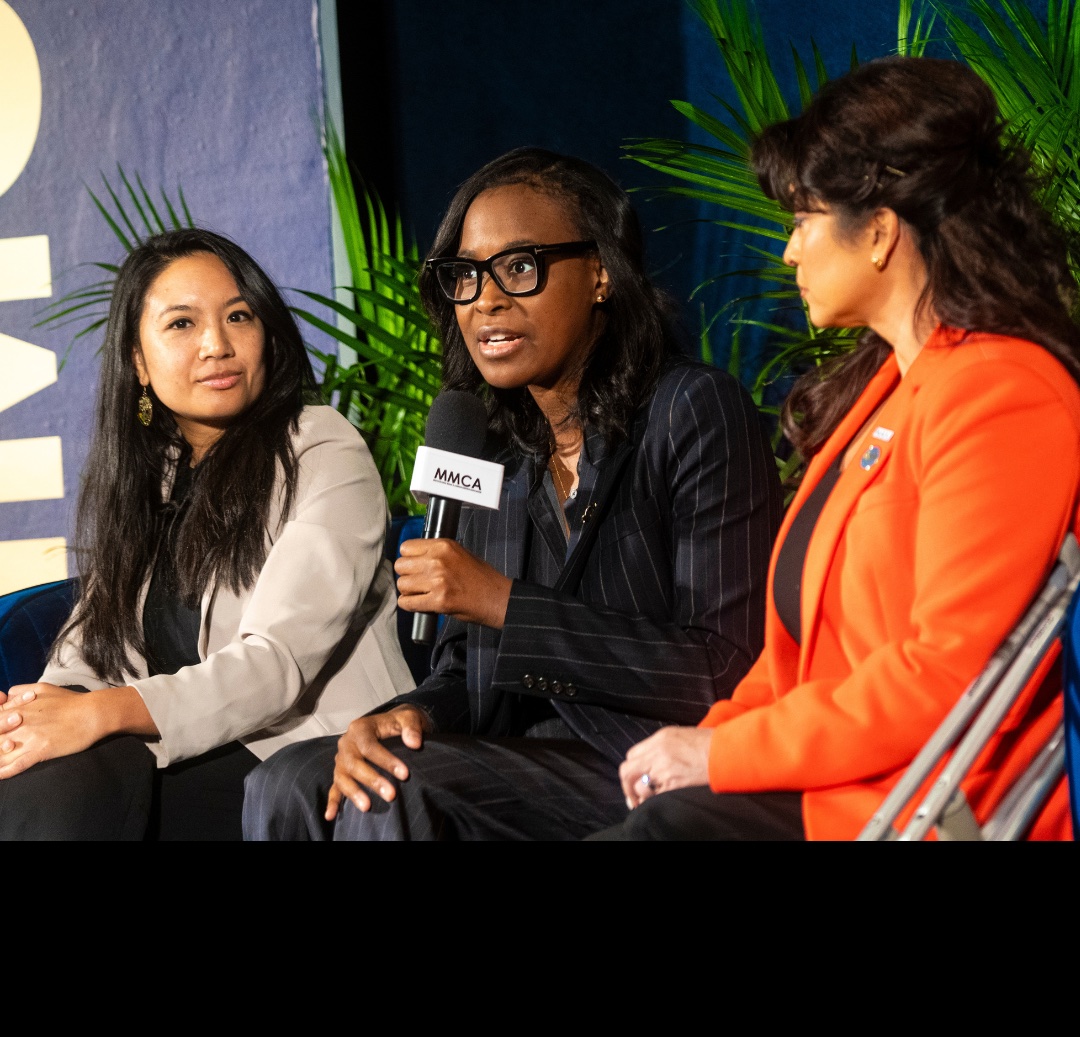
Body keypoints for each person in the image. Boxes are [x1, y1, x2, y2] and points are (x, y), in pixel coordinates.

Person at [596, 56, 1080, 841]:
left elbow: (943, 675)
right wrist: (709, 738)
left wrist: (724, 753)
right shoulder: (888, 385)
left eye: (803, 219)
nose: (789, 252)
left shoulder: (1002, 390)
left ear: (881, 231)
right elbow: (799, 656)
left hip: (915, 808)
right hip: (837, 783)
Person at [244, 148, 783, 840]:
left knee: (393, 796)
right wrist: (413, 714)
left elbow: (722, 667)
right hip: (518, 756)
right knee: (291, 779)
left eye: (519, 268)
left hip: (650, 760)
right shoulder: (489, 445)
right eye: (464, 277)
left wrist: (502, 601)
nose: (486, 299)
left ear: (599, 274)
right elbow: (466, 667)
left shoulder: (692, 410)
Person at [0, 228, 413, 840]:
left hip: (310, 755)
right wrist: (30, 718)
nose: (217, 344)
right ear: (138, 362)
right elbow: (92, 644)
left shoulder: (322, 446)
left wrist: (99, 714)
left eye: (238, 316)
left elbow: (277, 664)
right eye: (181, 324)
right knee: (38, 770)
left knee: (69, 787)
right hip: (189, 750)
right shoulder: (154, 474)